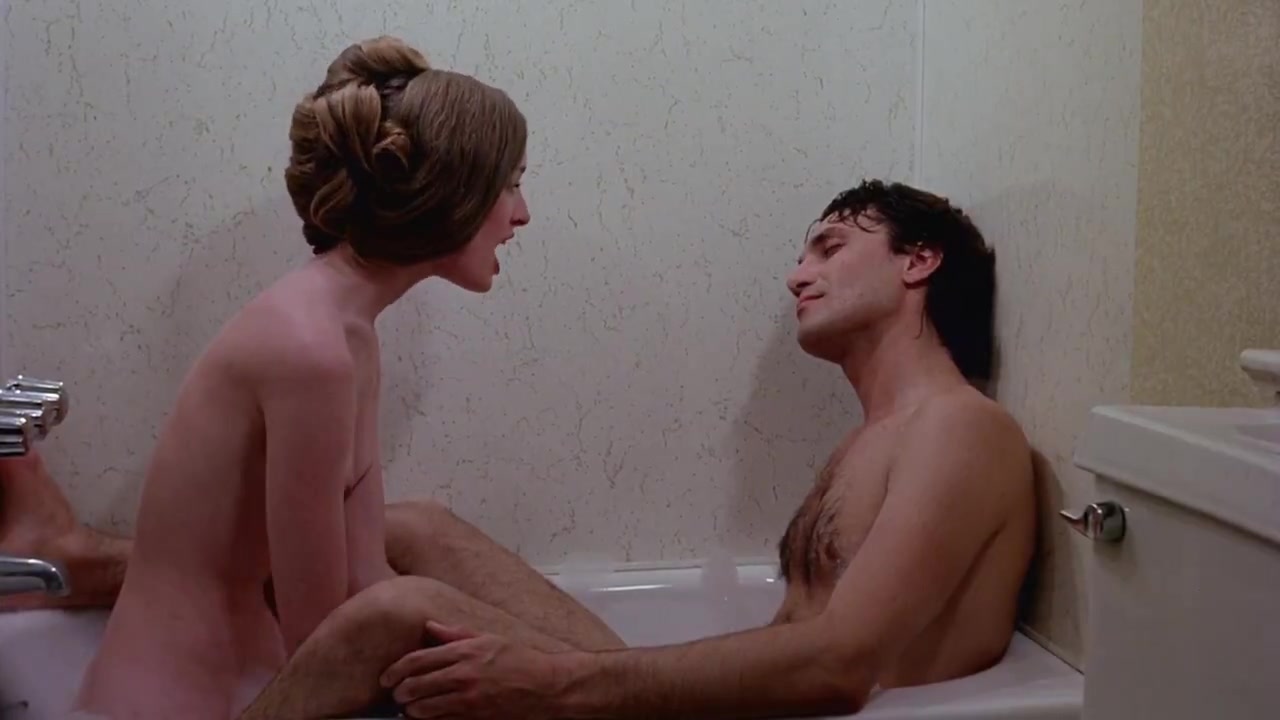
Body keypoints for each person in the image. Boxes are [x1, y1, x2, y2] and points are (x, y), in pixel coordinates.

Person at [1, 177, 1033, 718]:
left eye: (830, 247)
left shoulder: (963, 432)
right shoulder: (875, 441)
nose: (797, 274)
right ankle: (87, 563)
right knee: (414, 528)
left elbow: (842, 668)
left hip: (791, 711)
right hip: (737, 702)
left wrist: (555, 687)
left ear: (919, 262)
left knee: (392, 610)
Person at [43, 33, 620, 720]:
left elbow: (361, 574)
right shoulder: (309, 351)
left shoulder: (349, 336)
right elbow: (325, 632)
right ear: (454, 192)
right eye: (511, 184)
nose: (521, 214)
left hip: (249, 684)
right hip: (172, 702)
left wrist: (524, 670)